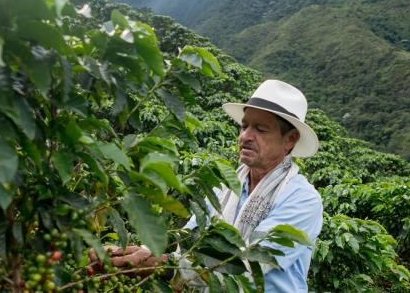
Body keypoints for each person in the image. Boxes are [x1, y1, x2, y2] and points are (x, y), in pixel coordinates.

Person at [99, 80, 323, 292]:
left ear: (290, 139)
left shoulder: (302, 200)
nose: (245, 136)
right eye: (244, 126)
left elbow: (247, 265)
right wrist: (137, 253)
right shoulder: (225, 186)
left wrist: (157, 264)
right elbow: (190, 241)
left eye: (261, 129)